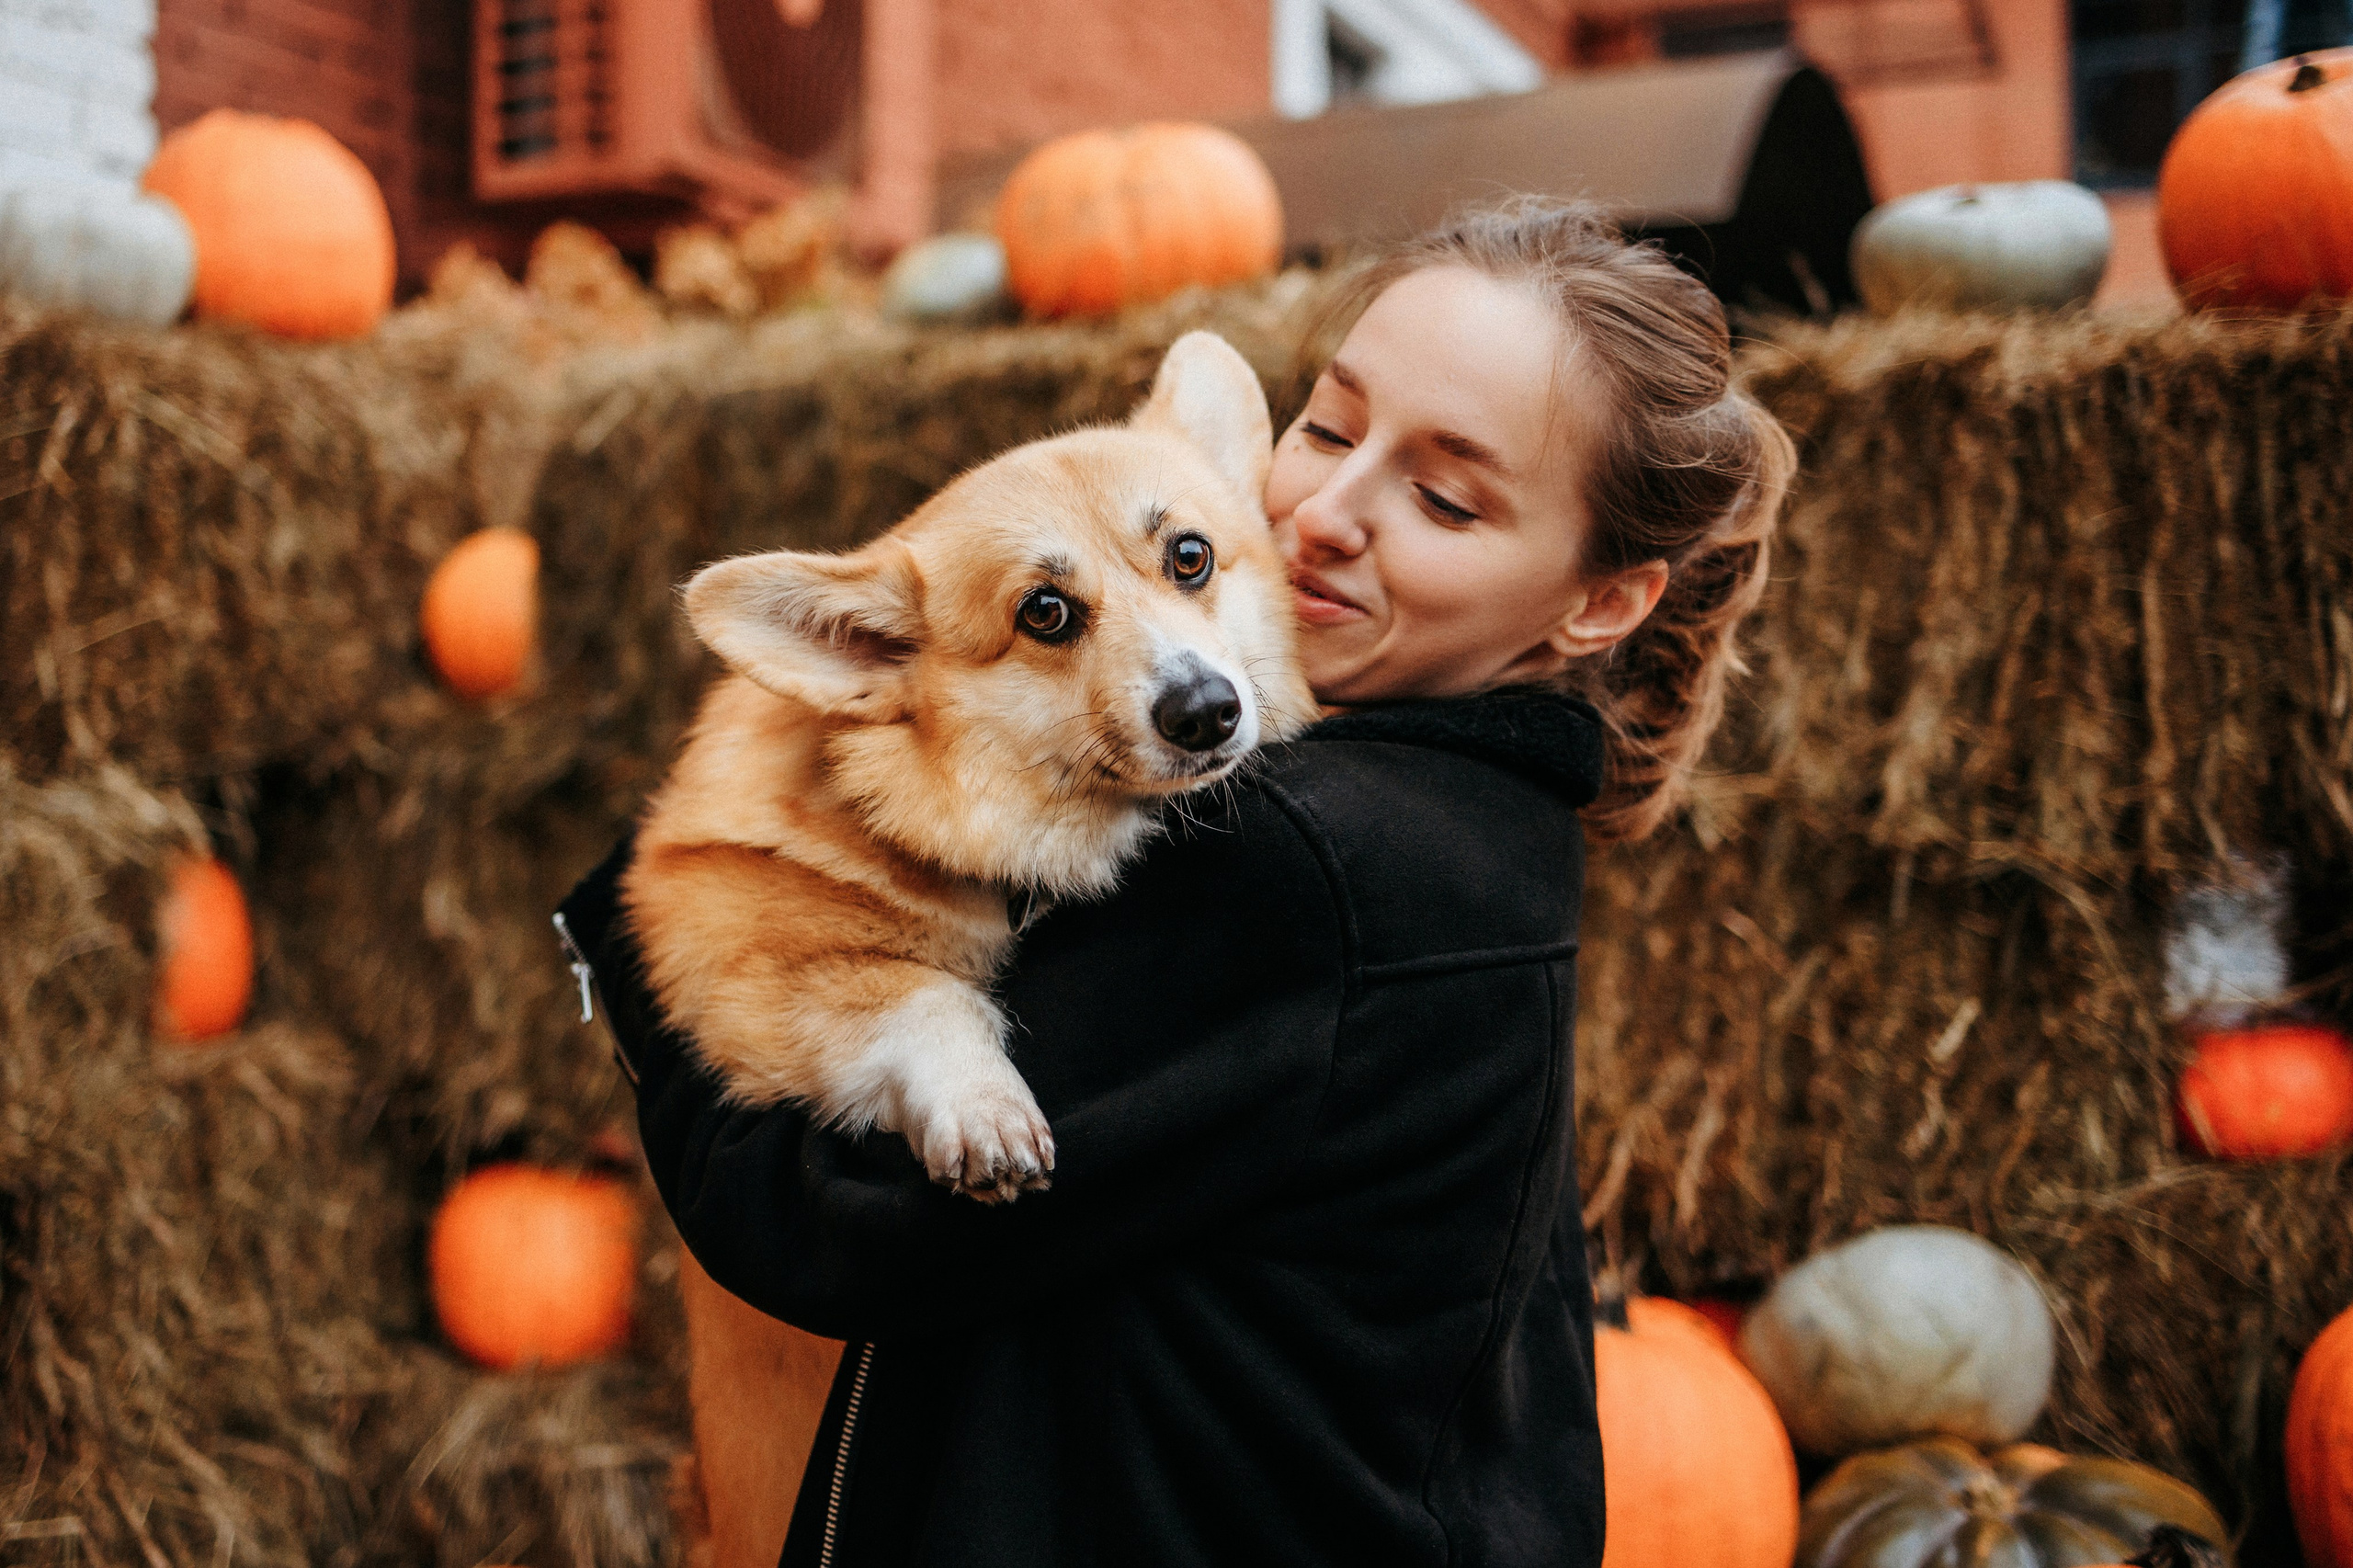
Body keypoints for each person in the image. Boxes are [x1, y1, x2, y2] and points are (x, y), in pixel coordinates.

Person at [556, 198, 1794, 1568]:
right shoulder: (1492, 821)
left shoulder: (1303, 864)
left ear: (1599, 602)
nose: (1322, 515)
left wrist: (645, 918)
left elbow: (833, 1224)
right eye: (1327, 425)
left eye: (1443, 496)